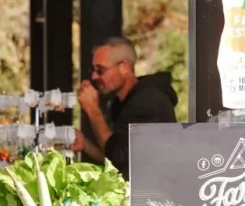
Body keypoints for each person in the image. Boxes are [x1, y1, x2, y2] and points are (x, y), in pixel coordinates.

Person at [72, 36, 178, 179]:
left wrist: (92, 110)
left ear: (125, 68)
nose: (94, 76)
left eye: (100, 70)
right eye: (93, 69)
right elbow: (121, 158)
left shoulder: (149, 102)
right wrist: (85, 145)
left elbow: (119, 159)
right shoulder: (124, 103)